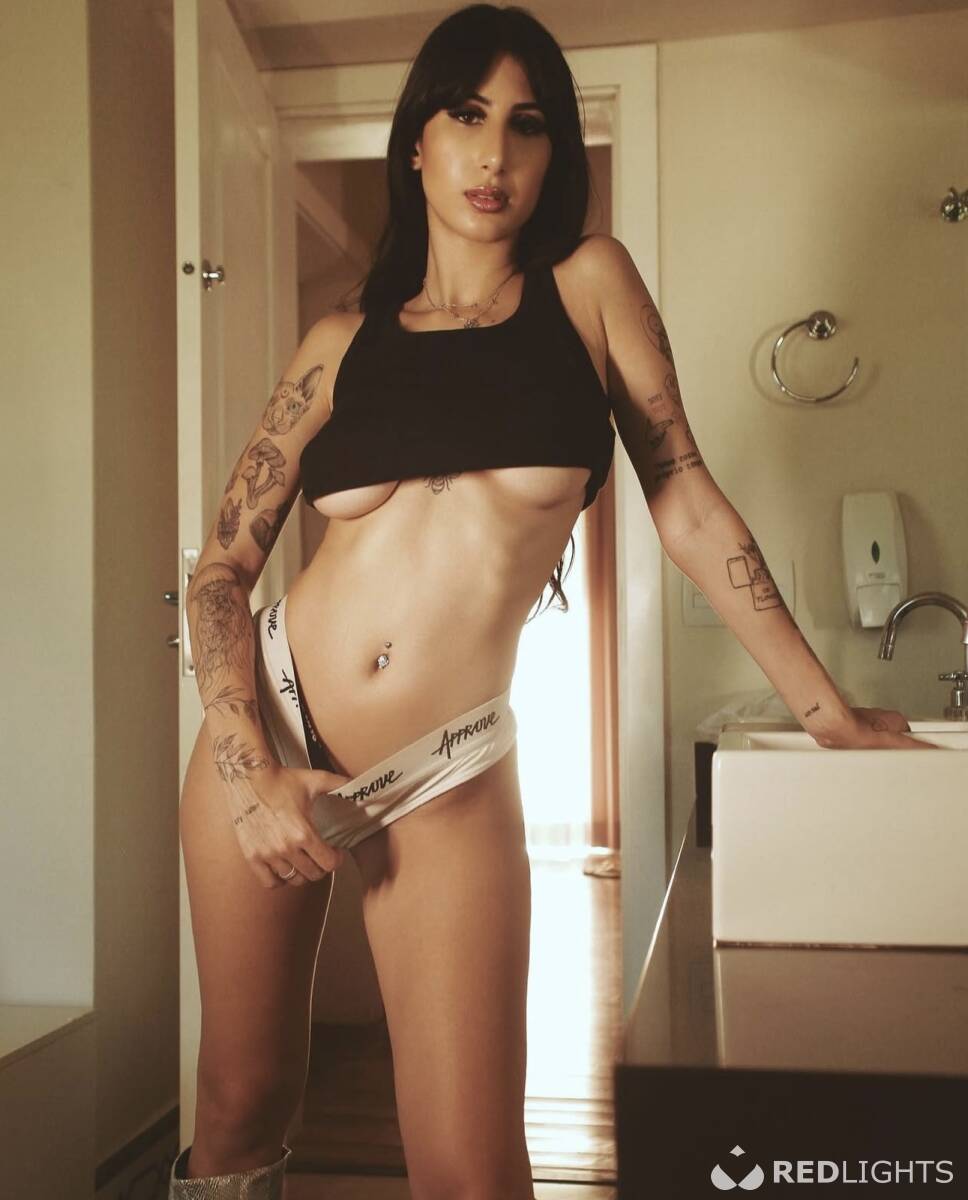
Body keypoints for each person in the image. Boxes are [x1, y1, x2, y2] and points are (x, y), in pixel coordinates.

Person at [171, 4, 932, 1197]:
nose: (494, 154)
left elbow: (685, 500)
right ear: (416, 142)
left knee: (472, 1170)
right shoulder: (336, 342)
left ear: (553, 152)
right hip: (268, 722)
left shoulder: (586, 288)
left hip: (445, 771)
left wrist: (824, 710)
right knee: (236, 1109)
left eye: (526, 126)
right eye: (465, 116)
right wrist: (244, 769)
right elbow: (220, 568)